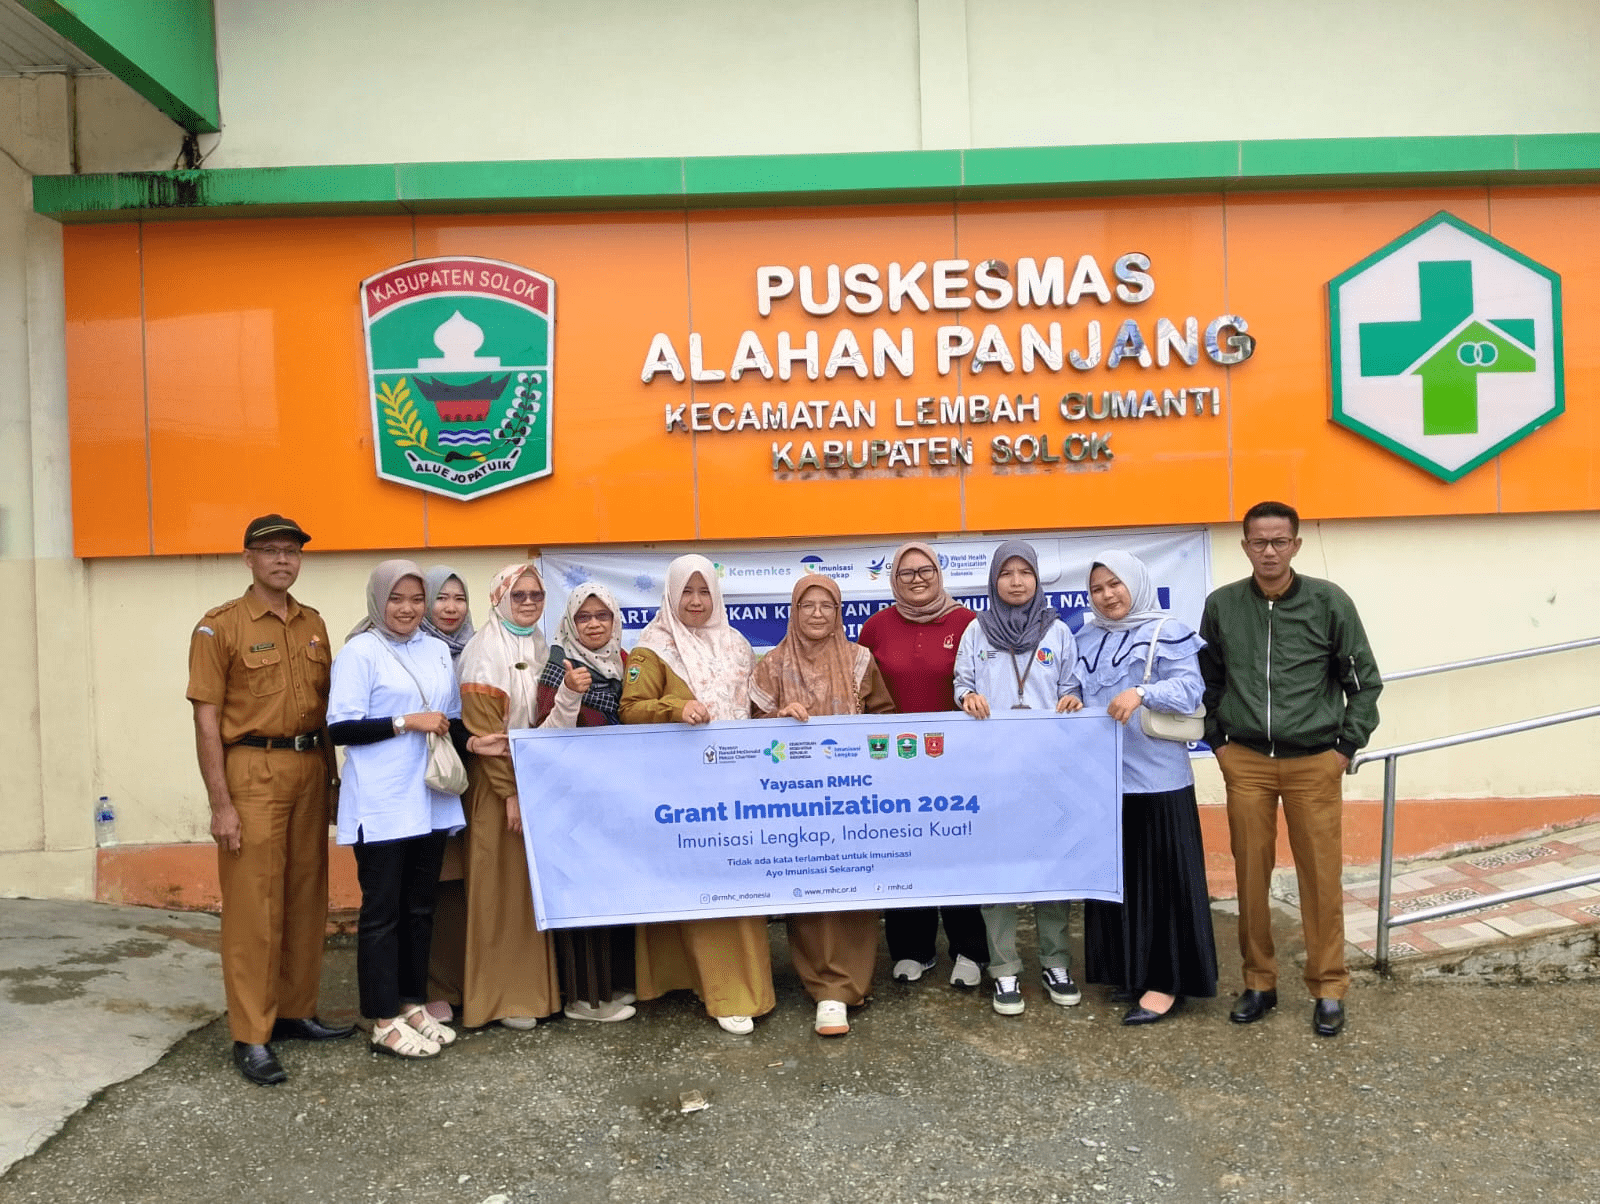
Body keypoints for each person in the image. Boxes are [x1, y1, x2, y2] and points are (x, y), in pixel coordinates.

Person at [1199, 501, 1382, 1039]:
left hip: (1313, 762)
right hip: (1248, 762)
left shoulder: (1329, 603)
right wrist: (1218, 744)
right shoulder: (1223, 605)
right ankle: (1259, 982)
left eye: (1280, 541)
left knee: (1321, 878)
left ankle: (1328, 987)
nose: (1270, 551)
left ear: (1296, 545)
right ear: (1245, 546)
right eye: (1259, 542)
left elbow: (1364, 682)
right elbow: (1207, 680)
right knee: (1250, 876)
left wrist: (1345, 748)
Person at [185, 513, 354, 1087]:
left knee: (307, 897)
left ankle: (295, 1011)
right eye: (271, 550)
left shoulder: (313, 624)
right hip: (251, 771)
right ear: (248, 559)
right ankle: (251, 1035)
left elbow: (329, 712)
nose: (283, 559)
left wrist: (333, 785)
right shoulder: (219, 627)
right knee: (254, 907)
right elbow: (207, 721)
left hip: (309, 767)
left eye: (292, 551)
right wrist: (221, 804)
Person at [328, 560, 499, 1058]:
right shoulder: (360, 652)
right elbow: (342, 728)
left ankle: (410, 1002)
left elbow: (446, 720)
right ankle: (382, 1018)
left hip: (429, 800)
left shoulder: (433, 650)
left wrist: (477, 743)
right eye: (396, 599)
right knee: (382, 913)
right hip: (381, 804)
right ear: (378, 601)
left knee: (419, 909)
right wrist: (404, 722)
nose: (407, 609)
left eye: (415, 599)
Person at [620, 554, 776, 1035]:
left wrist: (782, 714)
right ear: (670, 595)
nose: (694, 601)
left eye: (703, 591)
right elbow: (631, 708)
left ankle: (735, 985)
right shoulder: (652, 649)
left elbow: (752, 704)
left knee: (735, 886)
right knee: (696, 883)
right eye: (685, 592)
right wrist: (676, 708)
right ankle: (707, 986)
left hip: (737, 784)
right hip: (681, 788)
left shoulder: (735, 644)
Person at [751, 573, 897, 1037]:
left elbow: (884, 721)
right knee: (810, 890)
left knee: (853, 884)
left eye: (827, 606)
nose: (817, 614)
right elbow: (748, 732)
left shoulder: (859, 660)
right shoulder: (771, 665)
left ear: (839, 613)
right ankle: (824, 989)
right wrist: (779, 720)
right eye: (807, 606)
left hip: (854, 797)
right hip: (795, 804)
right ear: (793, 612)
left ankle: (854, 980)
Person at [1077, 551, 1218, 1025]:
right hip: (1106, 782)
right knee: (1120, 884)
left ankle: (1165, 982)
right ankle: (1131, 971)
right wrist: (1071, 695)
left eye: (1114, 584)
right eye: (1097, 589)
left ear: (1135, 584)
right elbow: (1079, 687)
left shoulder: (1167, 631)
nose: (1107, 595)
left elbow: (1190, 690)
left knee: (1162, 885)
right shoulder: (1087, 636)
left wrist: (1142, 692)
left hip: (1158, 781)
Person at [953, 539, 1083, 1017]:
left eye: (1023, 573)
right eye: (1005, 573)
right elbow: (962, 682)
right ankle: (1004, 968)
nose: (1015, 582)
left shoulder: (1058, 633)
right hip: (995, 770)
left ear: (1035, 579)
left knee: (1052, 866)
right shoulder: (975, 630)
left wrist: (1072, 699)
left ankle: (1055, 961)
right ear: (994, 580)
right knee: (1000, 868)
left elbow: (1071, 685)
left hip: (1050, 771)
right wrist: (967, 697)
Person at [857, 541, 988, 989]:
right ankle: (912, 950)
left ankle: (970, 949)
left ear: (939, 573)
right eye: (907, 572)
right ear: (894, 579)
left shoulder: (968, 623)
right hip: (894, 764)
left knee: (959, 853)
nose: (917, 579)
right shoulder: (875, 627)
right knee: (904, 850)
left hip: (956, 761)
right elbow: (862, 689)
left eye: (925, 570)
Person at [457, 563, 563, 1030]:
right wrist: (510, 794)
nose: (527, 603)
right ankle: (501, 998)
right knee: (499, 890)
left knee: (528, 889)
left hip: (532, 782)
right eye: (517, 595)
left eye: (535, 596)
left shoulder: (536, 645)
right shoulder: (485, 651)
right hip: (498, 788)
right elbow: (487, 735)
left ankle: (534, 992)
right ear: (498, 597)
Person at [535, 582, 637, 1023]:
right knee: (581, 892)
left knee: (614, 886)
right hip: (572, 798)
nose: (594, 624)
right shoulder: (559, 664)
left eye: (602, 616)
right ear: (570, 623)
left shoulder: (627, 662)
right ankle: (585, 999)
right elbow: (542, 733)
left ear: (615, 620)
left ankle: (613, 984)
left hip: (616, 795)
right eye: (584, 617)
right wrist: (570, 695)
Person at [419, 565, 474, 1024]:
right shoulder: (401, 648)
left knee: (459, 887)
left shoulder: (477, 649)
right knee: (427, 886)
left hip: (468, 782)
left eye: (459, 598)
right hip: (420, 782)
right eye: (441, 598)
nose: (451, 608)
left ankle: (463, 984)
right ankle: (429, 987)